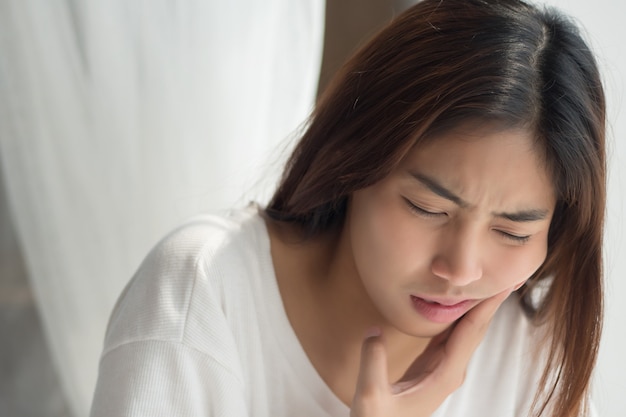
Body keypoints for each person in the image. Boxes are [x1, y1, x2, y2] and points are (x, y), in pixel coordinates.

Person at [89, 0, 605, 416]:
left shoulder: (531, 356)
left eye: (513, 233)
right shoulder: (203, 294)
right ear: (353, 162)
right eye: (426, 207)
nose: (460, 269)